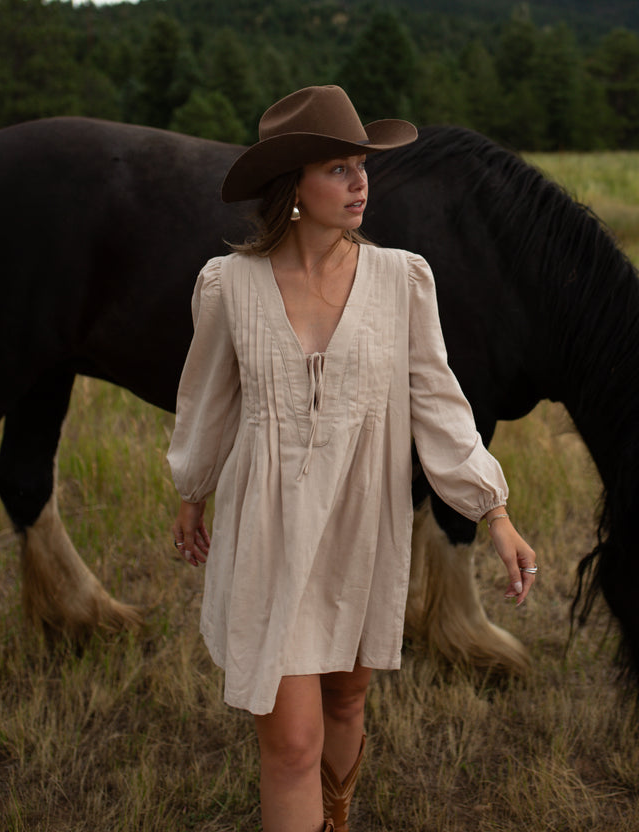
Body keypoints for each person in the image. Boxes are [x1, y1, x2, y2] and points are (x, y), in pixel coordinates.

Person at [168, 85, 537, 832]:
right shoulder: (229, 286)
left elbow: (438, 400)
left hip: (363, 523)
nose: (360, 181)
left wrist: (492, 510)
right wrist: (192, 491)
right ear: (292, 188)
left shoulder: (402, 280)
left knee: (346, 698)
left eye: (361, 166)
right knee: (293, 742)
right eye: (337, 168)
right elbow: (206, 401)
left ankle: (338, 816)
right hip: (268, 530)